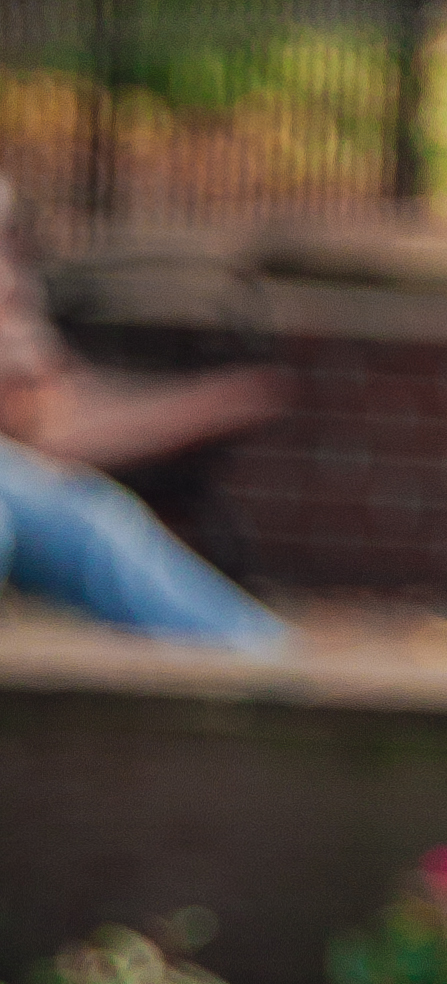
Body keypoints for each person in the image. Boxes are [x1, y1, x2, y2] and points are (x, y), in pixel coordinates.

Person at [0, 181, 292, 647]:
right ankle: (264, 664)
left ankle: (264, 660)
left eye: (10, 241)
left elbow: (53, 410)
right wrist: (188, 409)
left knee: (92, 517)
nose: (13, 268)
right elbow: (50, 436)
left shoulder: (16, 306)